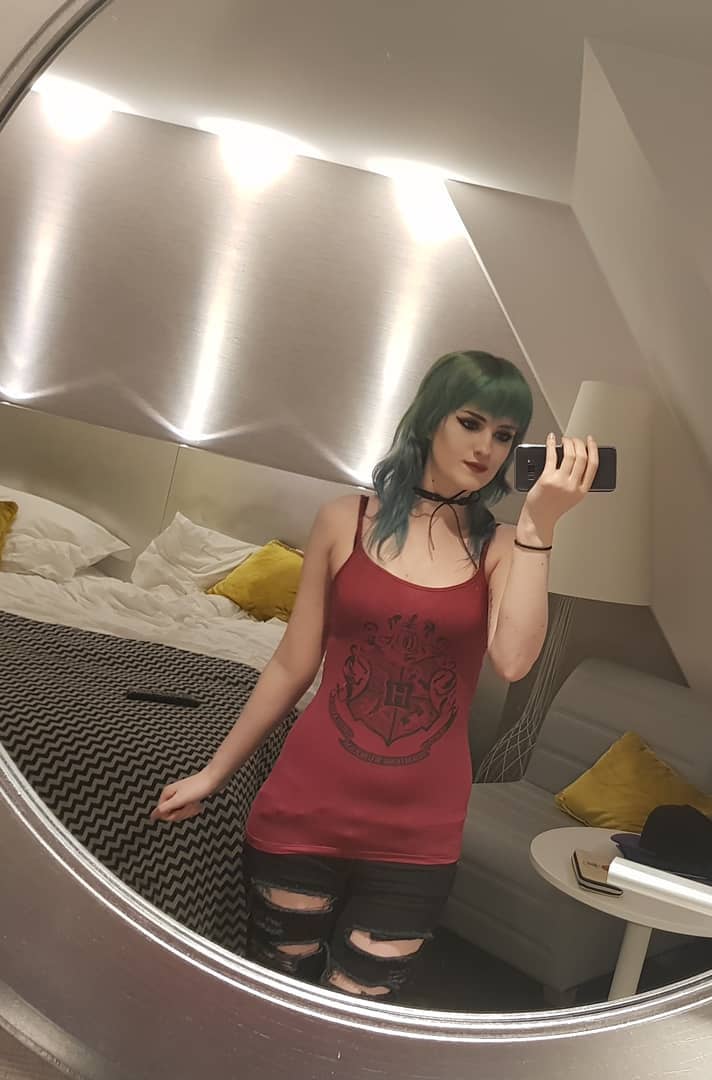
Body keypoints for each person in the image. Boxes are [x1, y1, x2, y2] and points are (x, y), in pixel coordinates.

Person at [151, 349, 598, 1001]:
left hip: (420, 832)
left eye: (504, 435)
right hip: (304, 807)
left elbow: (514, 660)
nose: (487, 447)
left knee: (358, 1015)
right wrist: (214, 772)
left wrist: (539, 527)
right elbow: (292, 663)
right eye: (471, 422)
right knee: (278, 998)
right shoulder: (344, 519)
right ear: (431, 418)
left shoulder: (502, 547)